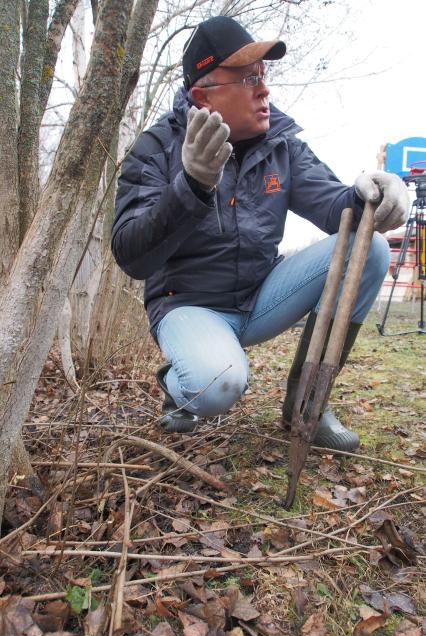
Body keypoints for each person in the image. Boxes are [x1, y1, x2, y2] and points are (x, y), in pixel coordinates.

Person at [112, 16, 409, 451]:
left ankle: (307, 403)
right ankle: (179, 385)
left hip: (260, 296)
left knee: (372, 248)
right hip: (190, 307)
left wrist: (374, 195)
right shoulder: (156, 147)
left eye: (264, 77)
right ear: (203, 95)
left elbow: (334, 206)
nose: (264, 90)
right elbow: (131, 255)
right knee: (216, 385)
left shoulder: (281, 144)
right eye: (248, 78)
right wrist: (190, 185)